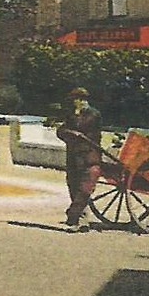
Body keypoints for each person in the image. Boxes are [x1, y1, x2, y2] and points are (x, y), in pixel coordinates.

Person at [56, 86, 103, 232]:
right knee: (73, 185)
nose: (75, 103)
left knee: (84, 188)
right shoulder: (71, 115)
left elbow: (82, 128)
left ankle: (73, 216)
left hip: (89, 156)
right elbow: (61, 131)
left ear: (83, 100)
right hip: (73, 155)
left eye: (76, 100)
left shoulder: (93, 114)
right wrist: (68, 133)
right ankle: (82, 219)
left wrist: (72, 130)